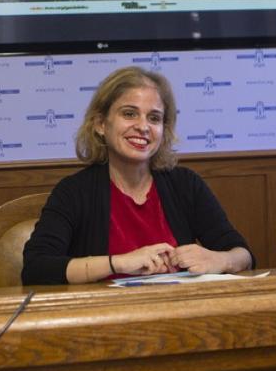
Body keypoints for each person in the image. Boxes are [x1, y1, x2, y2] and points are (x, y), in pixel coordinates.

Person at [22, 66, 253, 285]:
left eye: (154, 118)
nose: (143, 127)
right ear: (101, 124)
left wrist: (220, 260)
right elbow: (36, 267)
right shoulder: (74, 191)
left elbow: (243, 254)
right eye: (130, 114)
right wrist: (119, 262)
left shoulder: (185, 184)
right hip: (104, 318)